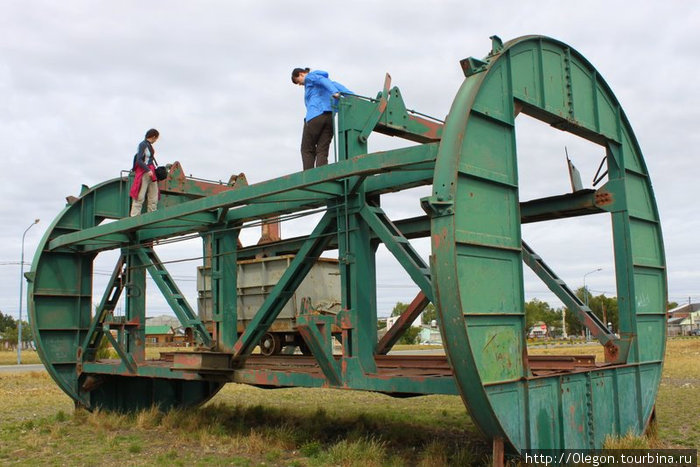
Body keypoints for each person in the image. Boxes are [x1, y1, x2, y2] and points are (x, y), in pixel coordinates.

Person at [291, 67, 351, 170]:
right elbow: (345, 91)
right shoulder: (330, 83)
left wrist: (334, 92)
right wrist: (355, 98)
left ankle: (309, 177)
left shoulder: (310, 77)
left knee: (307, 149)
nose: (300, 85)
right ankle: (321, 173)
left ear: (301, 74)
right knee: (322, 150)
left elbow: (322, 81)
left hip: (315, 117)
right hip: (329, 118)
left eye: (298, 82)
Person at [129, 128, 160, 216]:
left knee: (153, 196)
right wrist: (148, 170)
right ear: (154, 137)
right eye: (156, 138)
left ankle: (152, 215)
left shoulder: (148, 145)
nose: (156, 140)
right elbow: (139, 160)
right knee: (140, 196)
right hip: (145, 172)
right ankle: (134, 217)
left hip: (151, 172)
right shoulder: (143, 145)